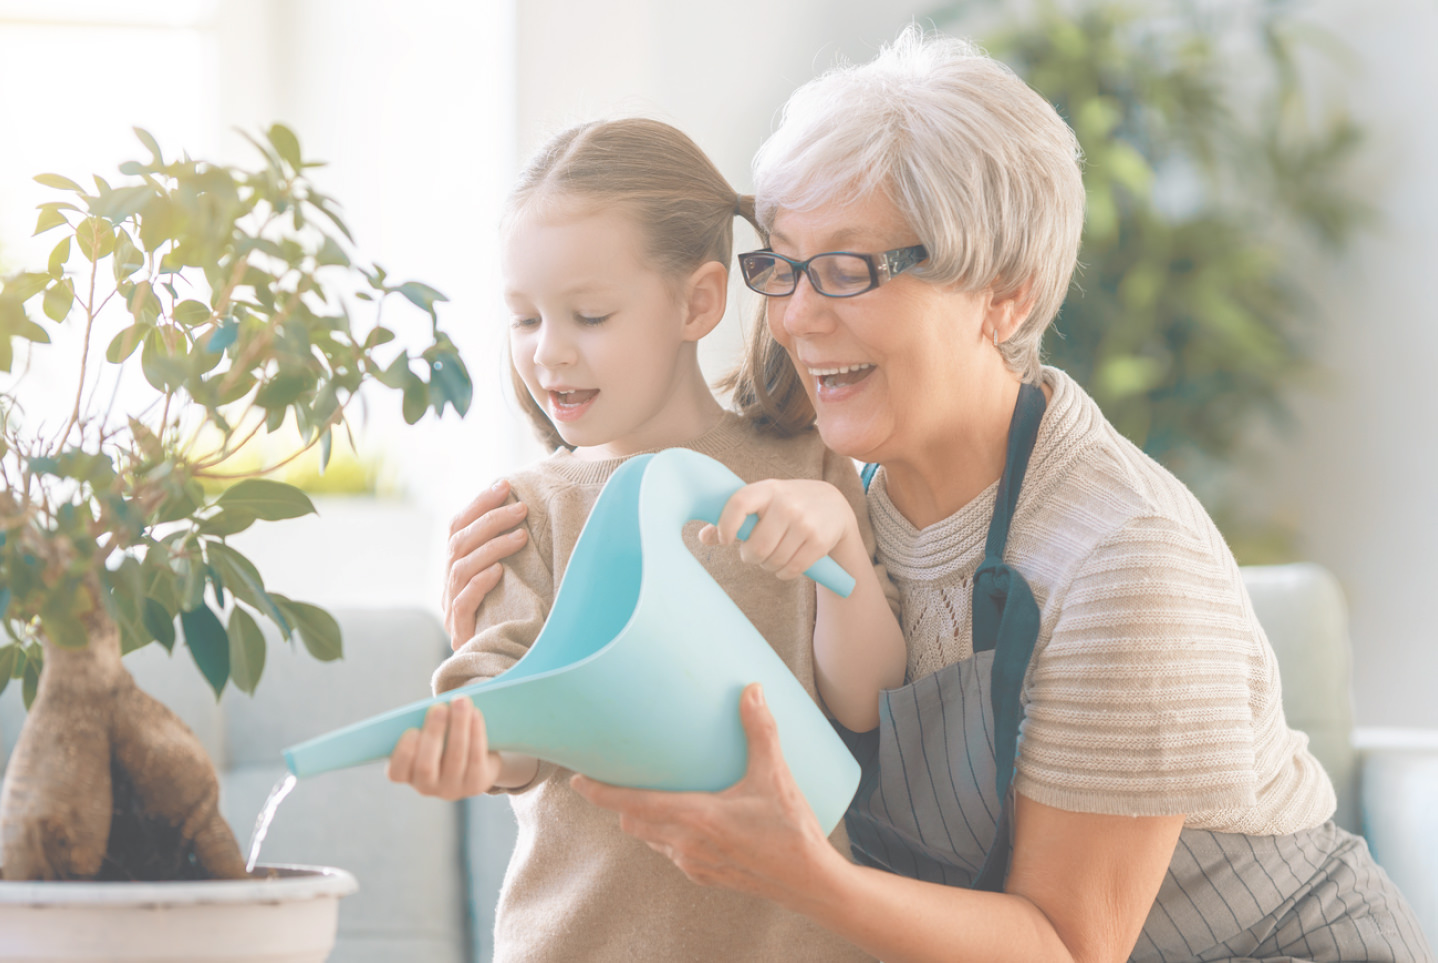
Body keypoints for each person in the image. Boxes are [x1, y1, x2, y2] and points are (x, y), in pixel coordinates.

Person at [445, 29, 1435, 963]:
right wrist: (520, 629)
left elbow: (1065, 946)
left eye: (847, 270)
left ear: (1002, 292)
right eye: (783, 266)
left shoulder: (1121, 557)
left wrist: (799, 872)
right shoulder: (822, 483)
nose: (792, 317)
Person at [386, 117, 904, 963]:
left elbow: (866, 702)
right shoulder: (525, 509)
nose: (549, 353)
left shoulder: (807, 464)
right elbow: (507, 733)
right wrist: (466, 747)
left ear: (698, 302)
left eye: (588, 315)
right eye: (523, 319)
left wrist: (840, 542)